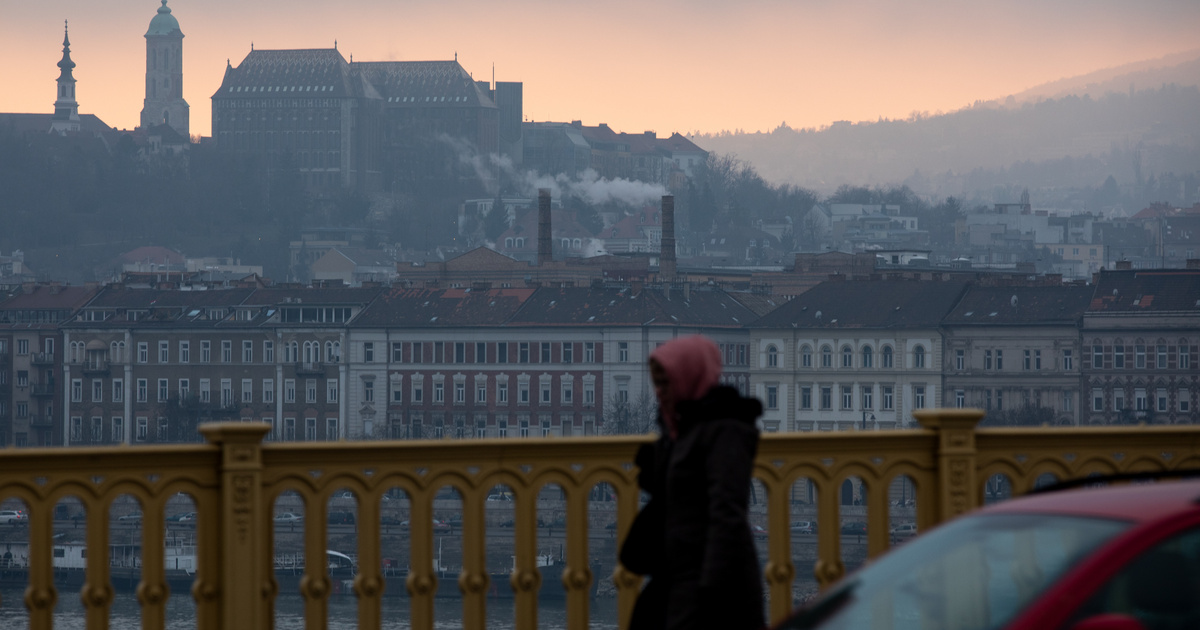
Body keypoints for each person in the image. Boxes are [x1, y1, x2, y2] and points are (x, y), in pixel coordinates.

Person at [623, 335, 766, 630]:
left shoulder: (725, 430)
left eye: (666, 383)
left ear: (690, 376)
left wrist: (711, 591)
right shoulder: (682, 427)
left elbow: (727, 514)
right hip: (680, 574)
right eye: (657, 384)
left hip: (709, 582)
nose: (660, 392)